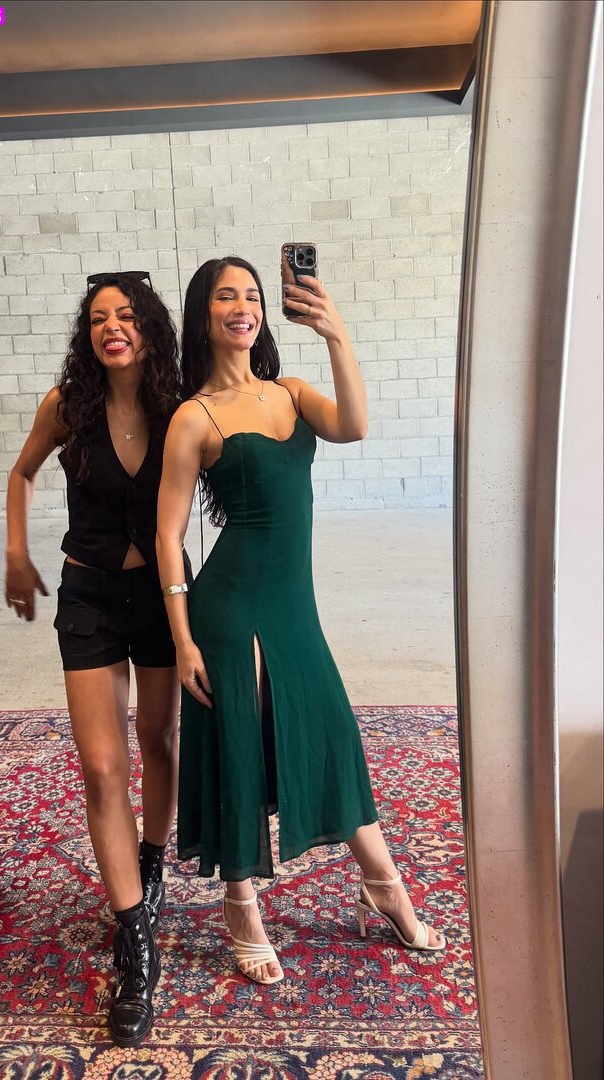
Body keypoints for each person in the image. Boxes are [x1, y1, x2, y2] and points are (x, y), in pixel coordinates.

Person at [156, 256, 445, 986]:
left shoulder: (290, 391)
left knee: (332, 734)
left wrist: (335, 332)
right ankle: (241, 904)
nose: (243, 307)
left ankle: (381, 884)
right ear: (203, 316)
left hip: (292, 605)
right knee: (240, 745)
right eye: (226, 296)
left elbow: (354, 424)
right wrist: (182, 637)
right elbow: (167, 535)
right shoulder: (193, 416)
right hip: (230, 607)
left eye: (252, 295)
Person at [5, 271, 189, 1046]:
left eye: (126, 316)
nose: (112, 327)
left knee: (159, 742)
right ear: (88, 336)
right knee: (103, 768)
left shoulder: (178, 407)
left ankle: (151, 864)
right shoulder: (66, 405)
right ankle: (134, 943)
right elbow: (22, 472)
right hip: (87, 598)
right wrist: (16, 552)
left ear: (148, 329)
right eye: (98, 319)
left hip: (161, 597)